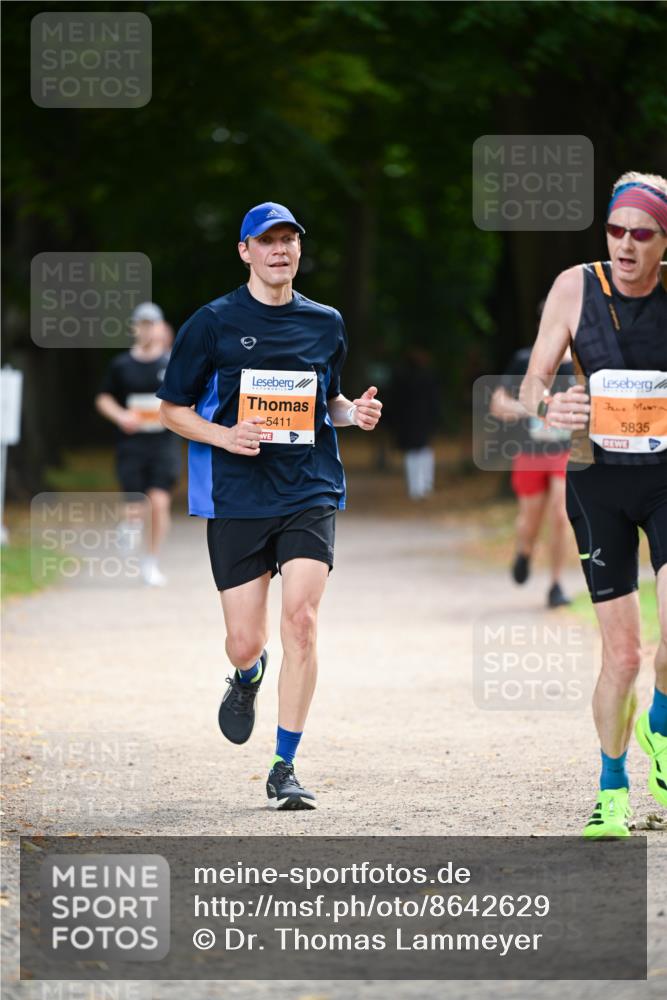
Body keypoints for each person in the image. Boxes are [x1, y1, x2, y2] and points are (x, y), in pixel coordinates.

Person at [157, 201, 382, 810]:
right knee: (244, 641)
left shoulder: (325, 323)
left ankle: (285, 764)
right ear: (245, 252)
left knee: (302, 622)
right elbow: (172, 410)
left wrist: (352, 414)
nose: (280, 250)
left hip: (308, 487)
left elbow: (326, 400)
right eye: (267, 241)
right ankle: (247, 676)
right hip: (238, 494)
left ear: (299, 251)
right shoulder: (212, 323)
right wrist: (226, 435)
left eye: (289, 240)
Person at [520, 172, 667, 837]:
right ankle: (612, 788)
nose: (625, 245)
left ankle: (657, 723)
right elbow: (529, 386)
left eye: (641, 234)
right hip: (598, 481)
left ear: (663, 241)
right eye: (615, 230)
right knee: (624, 655)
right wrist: (552, 405)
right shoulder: (573, 285)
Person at [95, 302, 180, 586]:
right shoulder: (121, 365)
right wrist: (121, 416)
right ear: (134, 328)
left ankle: (151, 561)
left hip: (163, 444)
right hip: (131, 445)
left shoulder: (172, 364)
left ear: (159, 328)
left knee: (158, 501)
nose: (146, 330)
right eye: (141, 324)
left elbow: (188, 397)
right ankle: (130, 525)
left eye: (151, 324)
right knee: (136, 503)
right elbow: (104, 398)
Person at [491, 320, 575, 608]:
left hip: (565, 451)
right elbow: (497, 403)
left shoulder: (582, 363)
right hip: (529, 452)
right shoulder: (525, 360)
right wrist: (526, 409)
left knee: (561, 515)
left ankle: (556, 585)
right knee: (530, 521)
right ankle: (524, 550)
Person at [387, 347, 440, 501]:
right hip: (418, 421)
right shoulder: (426, 377)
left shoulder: (403, 376)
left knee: (418, 452)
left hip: (411, 422)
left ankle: (418, 488)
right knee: (421, 451)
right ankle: (421, 487)